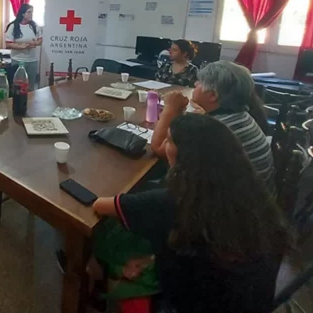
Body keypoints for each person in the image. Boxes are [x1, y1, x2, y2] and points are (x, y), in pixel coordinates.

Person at [93, 114, 290, 313]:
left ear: (184, 154)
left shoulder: (175, 201)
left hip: (184, 304)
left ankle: (93, 276)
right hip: (248, 301)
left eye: (169, 140)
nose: (165, 145)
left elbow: (100, 205)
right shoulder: (248, 192)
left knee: (106, 229)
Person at [151, 60, 276, 196]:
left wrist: (170, 108)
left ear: (213, 95)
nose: (195, 84)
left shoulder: (213, 129)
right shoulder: (241, 116)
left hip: (228, 209)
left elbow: (159, 148)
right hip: (253, 201)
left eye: (200, 82)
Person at [5, 4, 42, 91]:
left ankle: (30, 102)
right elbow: (8, 44)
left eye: (32, 12)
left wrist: (35, 43)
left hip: (32, 60)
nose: (31, 14)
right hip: (18, 60)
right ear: (22, 14)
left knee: (30, 86)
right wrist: (20, 47)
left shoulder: (34, 26)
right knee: (19, 86)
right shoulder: (13, 26)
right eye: (29, 12)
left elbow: (40, 40)